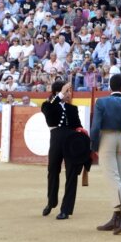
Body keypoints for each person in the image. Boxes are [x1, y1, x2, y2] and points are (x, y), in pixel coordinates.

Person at [89, 73, 121, 235]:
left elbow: (95, 127)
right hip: (120, 139)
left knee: (112, 177)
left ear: (110, 87)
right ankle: (116, 217)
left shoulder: (101, 102)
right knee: (120, 177)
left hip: (106, 139)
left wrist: (94, 146)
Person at [41, 79, 83, 220]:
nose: (69, 94)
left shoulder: (73, 109)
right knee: (53, 170)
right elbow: (49, 114)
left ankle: (66, 209)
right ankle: (51, 202)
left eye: (69, 91)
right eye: (67, 91)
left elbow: (78, 125)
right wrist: (60, 95)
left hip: (71, 142)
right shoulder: (47, 105)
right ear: (57, 92)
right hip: (56, 139)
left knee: (71, 174)